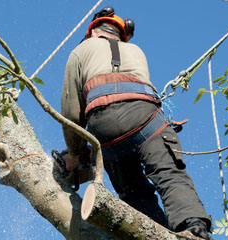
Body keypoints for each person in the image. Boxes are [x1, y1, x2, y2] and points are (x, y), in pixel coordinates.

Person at [60, 6, 213, 240]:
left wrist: (74, 153)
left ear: (92, 31)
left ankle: (153, 233)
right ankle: (194, 229)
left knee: (134, 194)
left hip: (103, 128)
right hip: (146, 119)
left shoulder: (81, 50)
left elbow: (72, 112)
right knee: (170, 175)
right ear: (122, 35)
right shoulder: (135, 50)